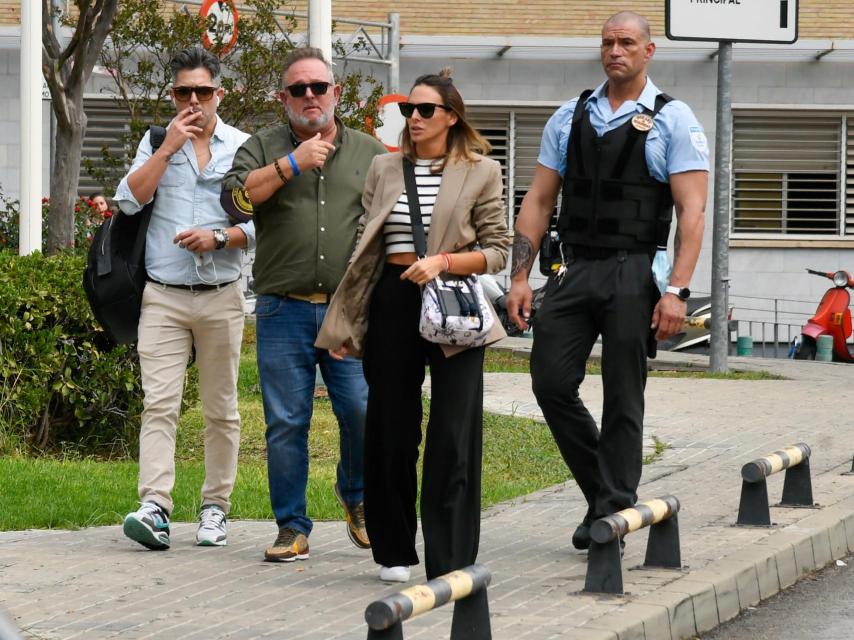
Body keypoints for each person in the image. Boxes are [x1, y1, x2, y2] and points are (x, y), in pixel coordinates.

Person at [506, 11, 709, 550]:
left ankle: (608, 519)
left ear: (649, 51)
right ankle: (608, 497)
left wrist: (677, 292)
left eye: (626, 43)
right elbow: (539, 199)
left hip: (634, 269)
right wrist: (519, 276)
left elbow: (693, 213)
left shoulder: (673, 119)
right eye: (607, 43)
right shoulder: (570, 116)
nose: (615, 51)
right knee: (549, 382)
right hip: (573, 268)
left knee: (623, 394)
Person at [316, 69, 511, 582]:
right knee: (390, 431)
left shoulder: (481, 171)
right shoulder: (384, 168)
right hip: (394, 301)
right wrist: (350, 324)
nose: (415, 118)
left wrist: (445, 262)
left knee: (453, 432)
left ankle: (450, 555)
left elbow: (498, 250)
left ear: (451, 117)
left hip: (454, 301)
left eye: (426, 110)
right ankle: (395, 550)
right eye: (409, 110)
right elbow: (365, 246)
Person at [223, 47, 386, 562]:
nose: (310, 96)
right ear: (283, 98)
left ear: (336, 92)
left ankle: (356, 496)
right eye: (299, 89)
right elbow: (234, 201)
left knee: (361, 411)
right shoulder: (262, 147)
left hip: (349, 311)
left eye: (319, 87)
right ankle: (291, 526)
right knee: (286, 421)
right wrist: (292, 163)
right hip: (282, 309)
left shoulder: (370, 152)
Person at [114, 46, 253, 550]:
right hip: (164, 296)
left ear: (220, 93)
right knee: (160, 405)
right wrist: (166, 148)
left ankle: (215, 509)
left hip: (220, 294)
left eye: (203, 91)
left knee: (222, 409)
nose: (193, 100)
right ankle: (155, 508)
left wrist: (219, 237)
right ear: (172, 94)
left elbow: (263, 223)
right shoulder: (157, 141)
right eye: (183, 91)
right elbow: (129, 199)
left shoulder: (243, 147)